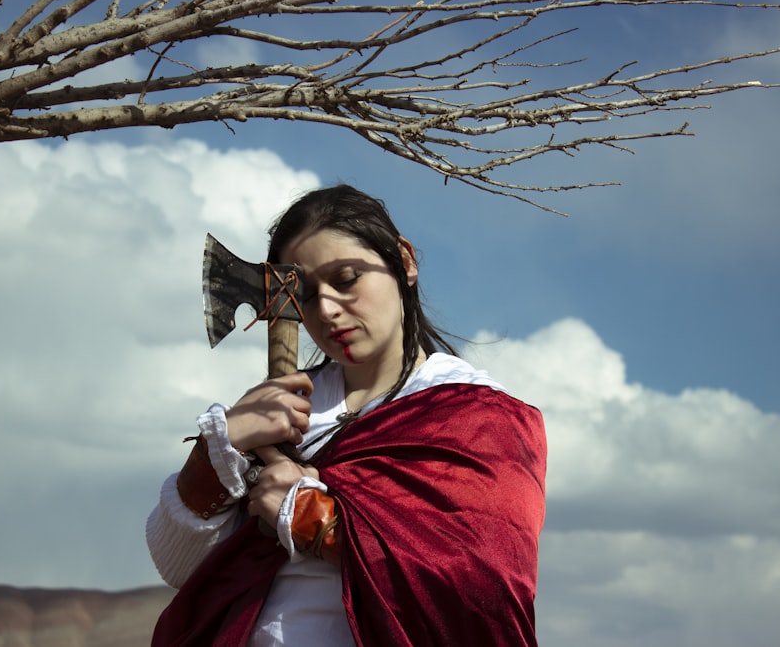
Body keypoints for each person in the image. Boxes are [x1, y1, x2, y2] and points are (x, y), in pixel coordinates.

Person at [147, 184, 547, 647]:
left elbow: (483, 586)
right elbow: (176, 564)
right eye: (308, 295)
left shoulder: (480, 417)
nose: (328, 310)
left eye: (347, 278)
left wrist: (315, 521)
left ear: (405, 261)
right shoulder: (280, 407)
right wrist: (223, 447)